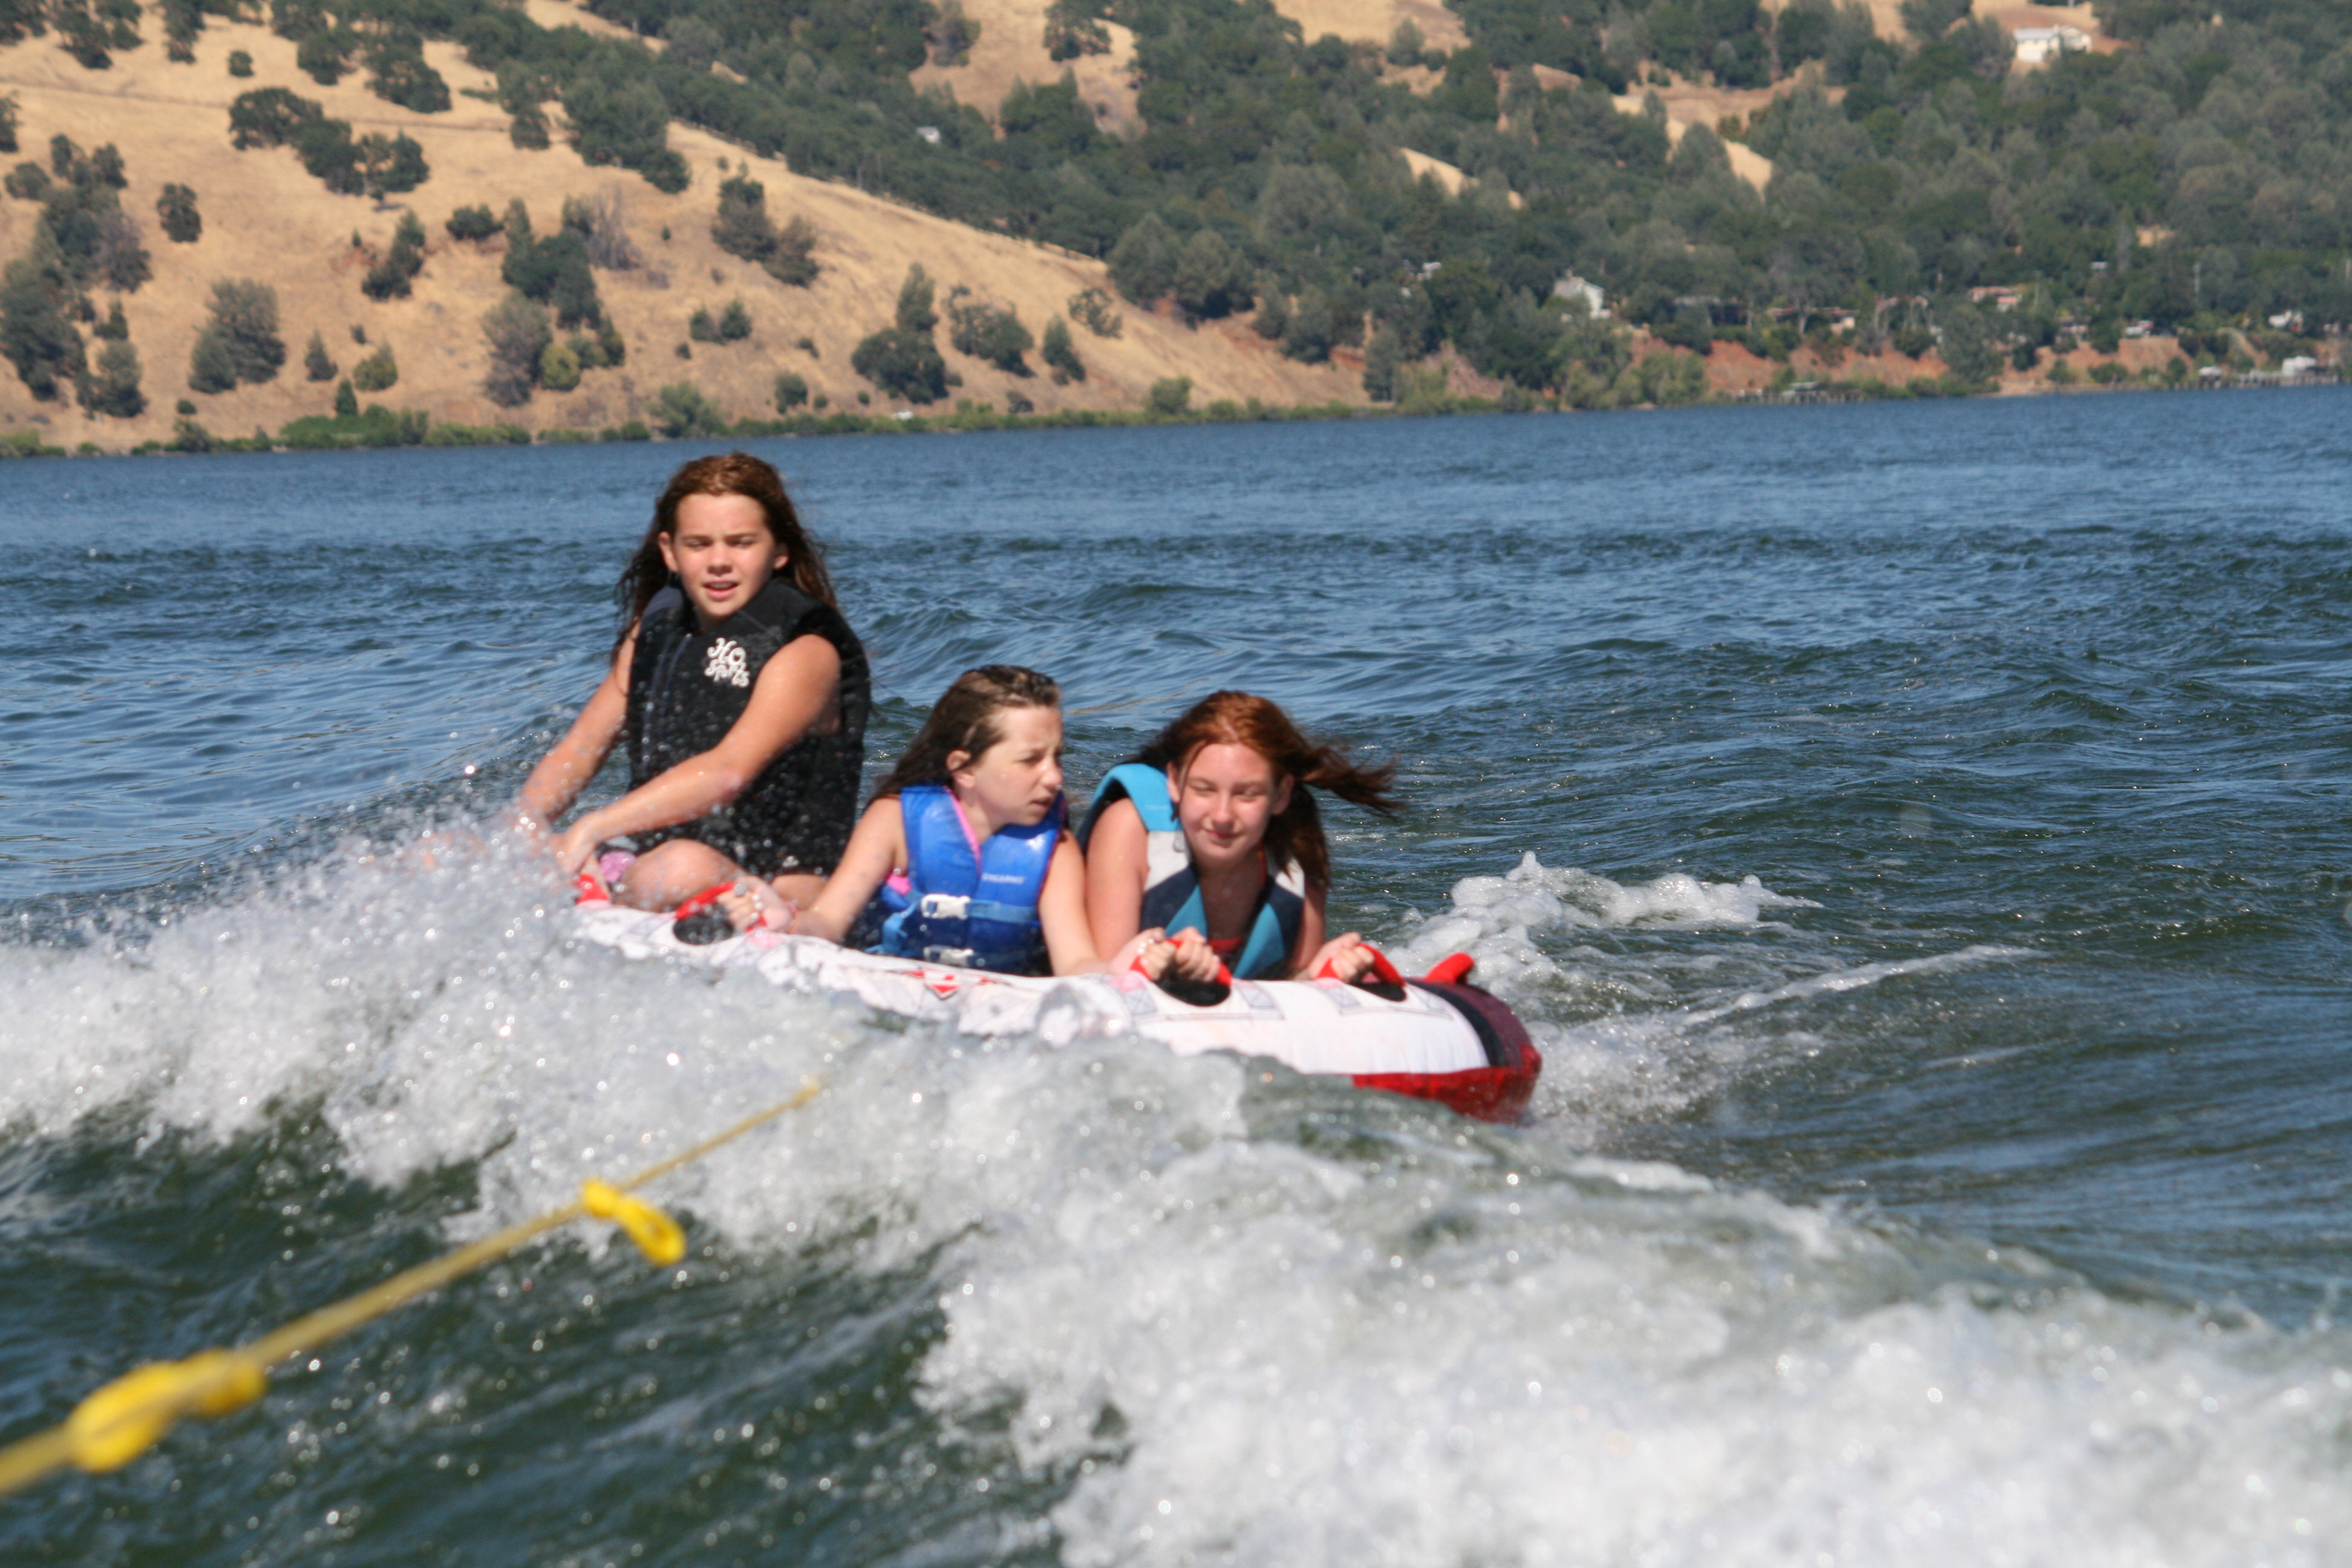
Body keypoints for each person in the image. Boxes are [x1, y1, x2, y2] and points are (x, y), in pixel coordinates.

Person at [514, 452, 868, 917]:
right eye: (699, 544)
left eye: (741, 543)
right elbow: (578, 750)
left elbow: (727, 773)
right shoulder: (654, 633)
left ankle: (606, 906)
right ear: (670, 552)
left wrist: (592, 828)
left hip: (780, 890)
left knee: (676, 868)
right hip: (648, 861)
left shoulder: (808, 652)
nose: (719, 561)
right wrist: (516, 833)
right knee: (447, 850)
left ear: (779, 551)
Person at [780, 665, 1132, 976]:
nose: (1055, 777)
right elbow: (828, 922)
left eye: (1057, 757)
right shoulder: (894, 821)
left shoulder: (1056, 850)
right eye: (1031, 760)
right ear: (964, 769)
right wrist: (785, 920)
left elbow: (1076, 964)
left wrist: (1121, 970)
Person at [1080, 691, 1399, 988]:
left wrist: (1318, 975)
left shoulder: (1298, 847)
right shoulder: (1130, 830)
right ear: (1175, 782)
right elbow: (1107, 981)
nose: (1222, 815)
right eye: (1204, 789)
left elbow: (1293, 986)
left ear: (1281, 795)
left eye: (1247, 794)